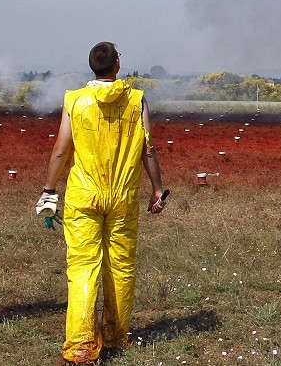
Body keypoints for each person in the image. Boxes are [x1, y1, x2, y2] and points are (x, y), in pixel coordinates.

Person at [40, 41, 166, 363]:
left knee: (82, 267)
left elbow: (60, 150)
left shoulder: (75, 100)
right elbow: (147, 149)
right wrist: (156, 189)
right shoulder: (136, 100)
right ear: (118, 65)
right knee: (120, 267)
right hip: (122, 196)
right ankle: (115, 336)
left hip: (84, 195)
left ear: (92, 66)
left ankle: (81, 344)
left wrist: (49, 189)